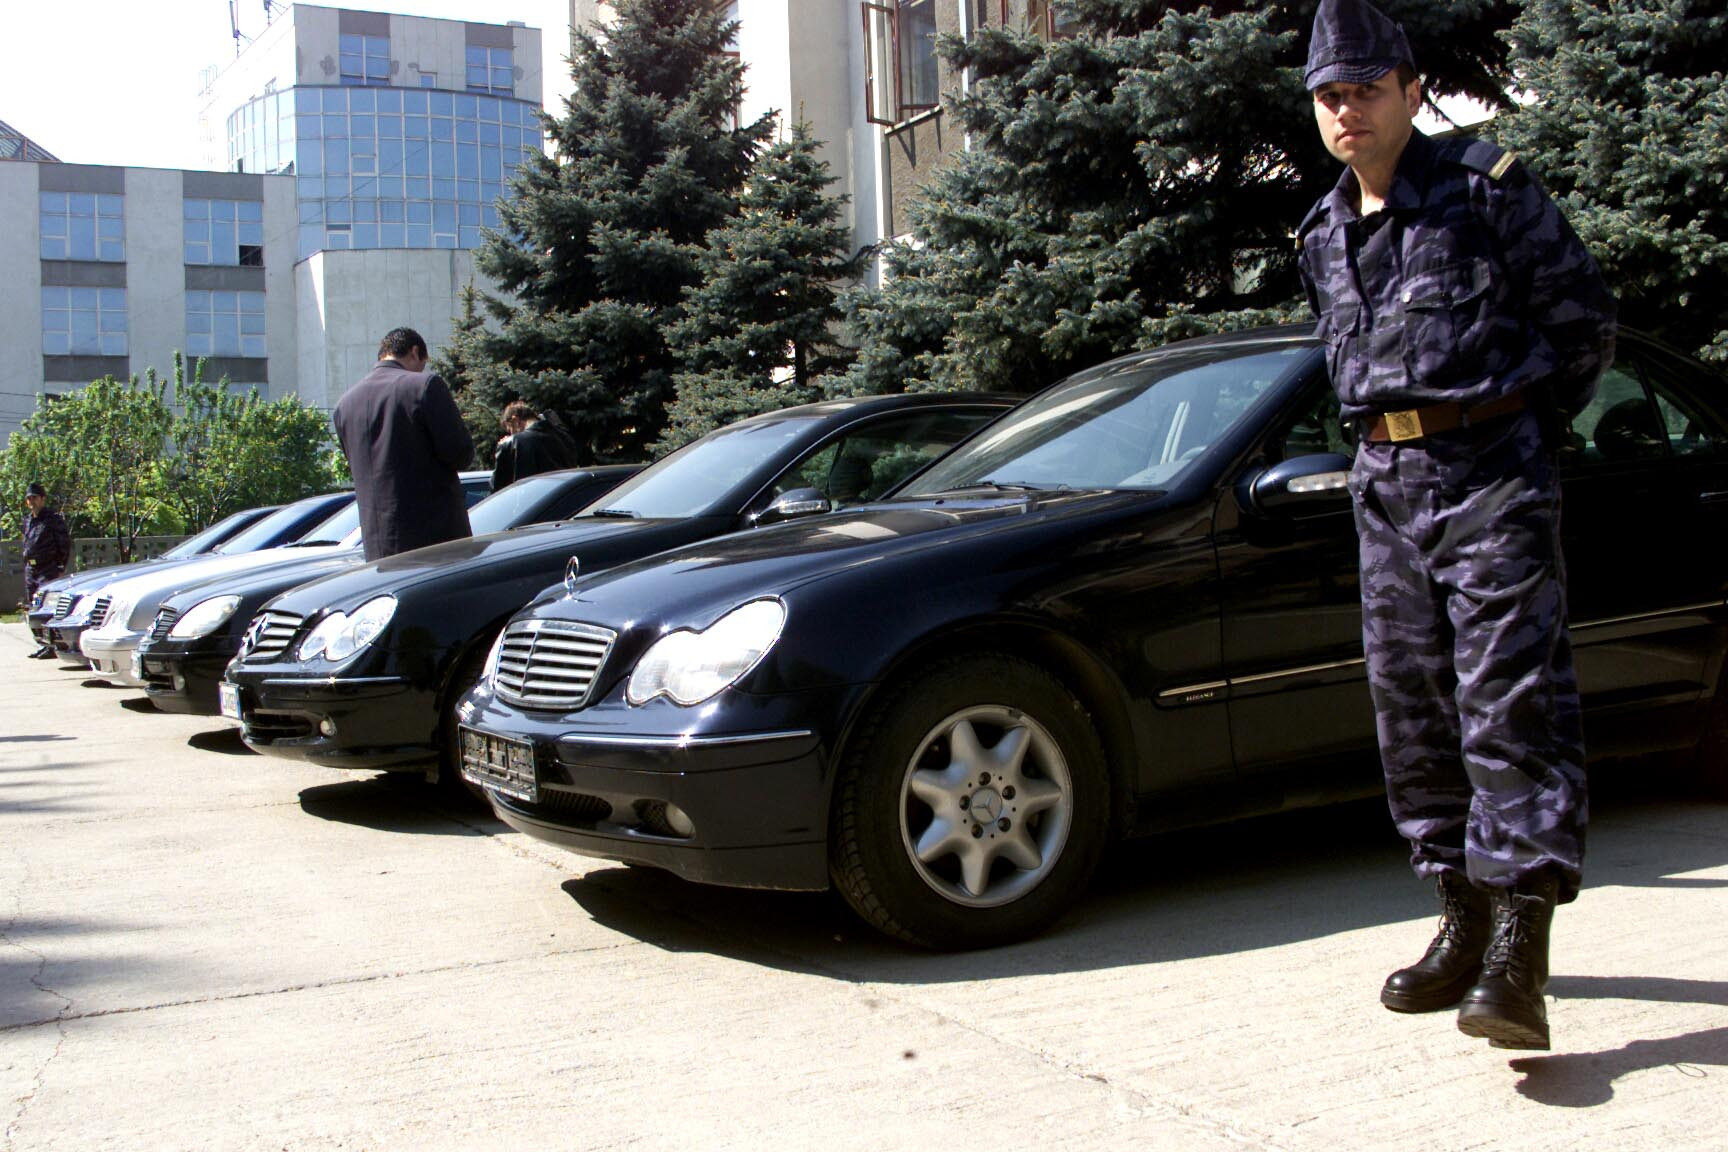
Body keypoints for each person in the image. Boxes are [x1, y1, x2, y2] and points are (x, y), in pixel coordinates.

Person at [1295, 0, 1616, 1051]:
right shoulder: (1321, 233)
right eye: (1330, 96)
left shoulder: (1485, 193)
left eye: (1367, 89)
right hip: (1383, 486)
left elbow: (1582, 324)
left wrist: (1511, 434)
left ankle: (1522, 950)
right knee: (1414, 707)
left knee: (1510, 703)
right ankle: (1459, 918)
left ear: (1410, 89)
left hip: (1490, 473)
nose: (1349, 111)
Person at [332, 327, 474, 562]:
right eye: (422, 363)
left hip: (378, 546)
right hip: (436, 543)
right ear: (415, 352)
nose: (421, 370)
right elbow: (460, 453)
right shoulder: (424, 386)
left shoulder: (345, 405)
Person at [21, 482, 71, 658]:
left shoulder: (52, 519)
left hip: (47, 569)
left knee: (47, 608)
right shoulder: (28, 520)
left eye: (34, 497)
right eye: (29, 498)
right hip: (31, 570)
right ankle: (41, 643)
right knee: (33, 608)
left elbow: (63, 544)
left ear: (42, 499)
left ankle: (52, 646)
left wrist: (59, 567)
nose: (31, 501)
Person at [491, 400, 577, 491]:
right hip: (564, 498)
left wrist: (502, 449)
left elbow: (497, 487)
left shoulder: (514, 443)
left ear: (515, 420)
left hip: (532, 501)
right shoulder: (564, 437)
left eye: (510, 429)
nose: (511, 434)